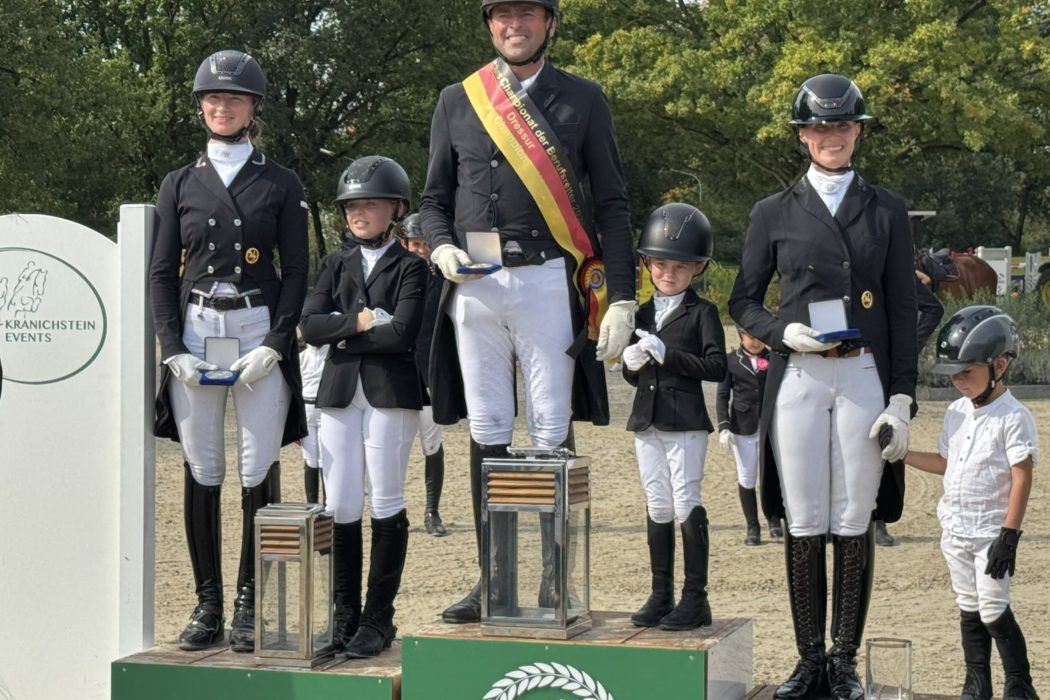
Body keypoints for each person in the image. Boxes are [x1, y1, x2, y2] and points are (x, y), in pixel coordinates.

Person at [420, 0, 636, 624]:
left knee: (547, 429)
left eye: (527, 15)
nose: (514, 26)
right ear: (490, 25)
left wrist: (622, 294)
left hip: (545, 278)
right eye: (502, 15)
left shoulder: (583, 99)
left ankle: (552, 582)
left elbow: (613, 202)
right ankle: (493, 581)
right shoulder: (458, 99)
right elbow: (434, 198)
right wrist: (440, 249)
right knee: (487, 427)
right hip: (477, 284)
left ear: (549, 23)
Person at [728, 73, 918, 700]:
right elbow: (743, 301)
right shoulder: (772, 211)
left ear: (857, 131)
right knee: (806, 519)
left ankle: (843, 661)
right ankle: (808, 659)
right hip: (802, 376)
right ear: (802, 135)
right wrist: (785, 333)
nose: (830, 136)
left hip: (863, 373)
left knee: (853, 515)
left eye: (842, 126)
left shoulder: (886, 208)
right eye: (819, 127)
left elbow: (900, 309)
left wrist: (901, 397)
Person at [149, 50, 308, 653]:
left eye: (233, 100)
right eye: (213, 99)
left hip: (255, 326)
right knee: (203, 466)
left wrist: (275, 342)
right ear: (201, 107)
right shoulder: (179, 183)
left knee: (256, 464)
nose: (222, 107)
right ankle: (207, 600)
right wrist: (171, 346)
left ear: (252, 109)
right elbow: (162, 273)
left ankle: (249, 602)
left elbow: (296, 271)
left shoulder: (281, 181)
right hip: (196, 331)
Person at [299, 155, 426, 659]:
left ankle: (379, 618)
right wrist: (359, 323)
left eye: (369, 204)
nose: (358, 212)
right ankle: (344, 614)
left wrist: (342, 330)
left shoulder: (412, 267)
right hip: (337, 395)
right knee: (341, 503)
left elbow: (403, 334)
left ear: (395, 209)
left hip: (390, 394)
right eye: (352, 205)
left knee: (386, 499)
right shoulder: (333, 263)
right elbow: (310, 328)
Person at [904, 306, 1039, 700]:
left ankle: (1019, 683)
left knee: (994, 608)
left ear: (999, 365)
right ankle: (976, 682)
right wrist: (902, 455)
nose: (958, 381)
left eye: (966, 372)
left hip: (990, 534)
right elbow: (945, 464)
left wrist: (1009, 535)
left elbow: (1022, 475)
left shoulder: (1014, 417)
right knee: (968, 606)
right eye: (953, 375)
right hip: (956, 530)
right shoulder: (955, 412)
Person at [624, 203, 726, 631]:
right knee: (658, 504)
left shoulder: (702, 314)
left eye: (680, 267)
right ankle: (660, 593)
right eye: (661, 264)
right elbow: (637, 377)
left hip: (685, 421)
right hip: (647, 420)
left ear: (697, 269)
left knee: (686, 502)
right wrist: (630, 364)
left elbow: (717, 367)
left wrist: (673, 358)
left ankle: (694, 597)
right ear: (648, 264)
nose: (669, 274)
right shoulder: (641, 314)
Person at [874, 270, 944, 547]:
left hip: (891, 372)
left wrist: (908, 347)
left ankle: (879, 519)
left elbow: (933, 309)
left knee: (889, 440)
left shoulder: (896, 272)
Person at [398, 213, 448, 536]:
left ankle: (432, 510)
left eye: (426, 244)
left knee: (432, 442)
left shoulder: (442, 276)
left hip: (430, 368)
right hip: (400, 371)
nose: (422, 250)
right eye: (416, 244)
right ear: (405, 244)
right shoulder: (393, 275)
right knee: (395, 444)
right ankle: (393, 511)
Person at [716, 327, 782, 545]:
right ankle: (752, 526)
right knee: (747, 476)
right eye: (751, 337)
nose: (756, 342)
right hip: (742, 425)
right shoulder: (731, 360)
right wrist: (724, 426)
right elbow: (723, 396)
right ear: (741, 336)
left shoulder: (775, 358)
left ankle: (774, 519)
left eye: (760, 337)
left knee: (771, 474)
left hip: (770, 425)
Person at [298, 331, 327, 505]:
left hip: (323, 408)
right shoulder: (301, 357)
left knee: (324, 458)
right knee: (311, 459)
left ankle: (326, 503)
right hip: (307, 408)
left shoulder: (330, 353)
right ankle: (312, 503)